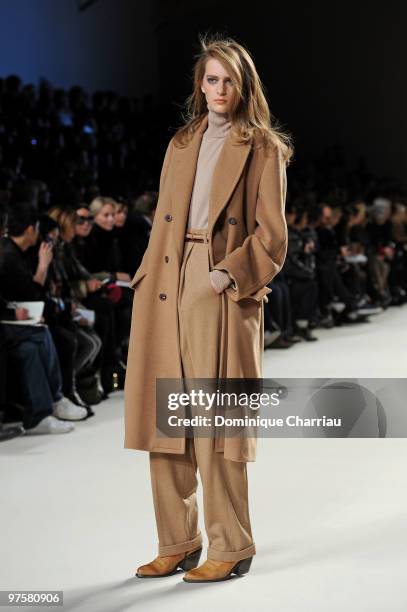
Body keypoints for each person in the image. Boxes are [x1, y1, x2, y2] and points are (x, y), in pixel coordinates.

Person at [124, 34, 292, 583]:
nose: (218, 89)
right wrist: (147, 277)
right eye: (210, 79)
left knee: (216, 419)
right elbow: (164, 219)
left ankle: (232, 544)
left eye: (228, 80)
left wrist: (227, 275)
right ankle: (178, 540)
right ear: (200, 84)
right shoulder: (181, 141)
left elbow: (273, 237)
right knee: (166, 419)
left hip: (219, 283)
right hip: (167, 278)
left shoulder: (264, 147)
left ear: (244, 86)